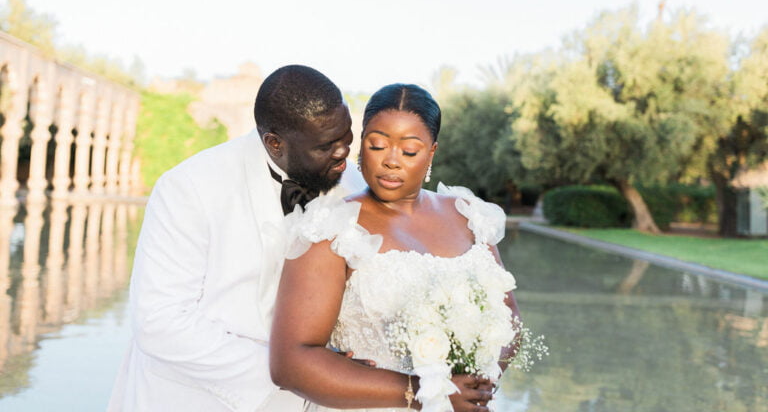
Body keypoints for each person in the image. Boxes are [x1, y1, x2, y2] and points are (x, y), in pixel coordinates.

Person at [108, 65, 365, 412]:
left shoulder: (351, 186)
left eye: (346, 137)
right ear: (274, 143)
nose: (343, 153)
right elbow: (160, 322)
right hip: (195, 399)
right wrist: (297, 373)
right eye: (326, 146)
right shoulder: (188, 187)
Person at [270, 84, 521, 412]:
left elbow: (509, 320)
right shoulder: (330, 227)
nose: (390, 161)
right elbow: (290, 363)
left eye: (409, 151)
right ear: (361, 145)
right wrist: (427, 391)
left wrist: (476, 384)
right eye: (377, 145)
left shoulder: (468, 215)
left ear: (431, 153)